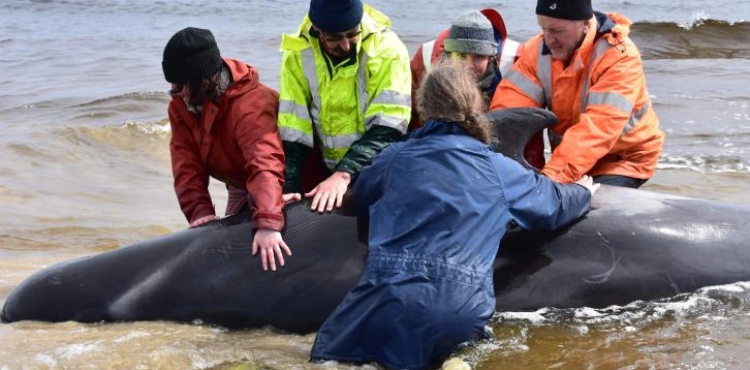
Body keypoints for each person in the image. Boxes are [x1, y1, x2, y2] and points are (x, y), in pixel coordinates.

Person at [310, 62, 599, 370]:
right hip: (459, 310)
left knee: (325, 360)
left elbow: (364, 193)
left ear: (422, 107)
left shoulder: (394, 158)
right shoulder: (498, 169)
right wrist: (582, 192)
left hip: (383, 302)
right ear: (474, 105)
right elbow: (553, 206)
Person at [162, 27, 299, 272]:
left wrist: (268, 222)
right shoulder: (181, 104)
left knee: (268, 246)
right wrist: (200, 213)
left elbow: (265, 162)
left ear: (203, 80)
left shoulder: (251, 104)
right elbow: (186, 164)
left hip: (285, 179)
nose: (175, 92)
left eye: (180, 86)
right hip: (238, 182)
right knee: (226, 256)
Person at [490, 0, 664, 188]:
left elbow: (599, 128)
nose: (548, 39)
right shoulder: (536, 51)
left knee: (584, 213)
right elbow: (509, 115)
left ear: (586, 24)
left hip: (621, 160)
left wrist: (550, 180)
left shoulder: (619, 56)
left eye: (557, 31)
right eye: (543, 28)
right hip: (572, 160)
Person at [277, 0, 412, 213]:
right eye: (335, 38)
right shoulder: (297, 52)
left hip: (380, 167)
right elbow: (294, 127)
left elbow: (389, 126)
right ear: (317, 29)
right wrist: (289, 184)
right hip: (328, 165)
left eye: (352, 34)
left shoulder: (388, 50)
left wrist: (344, 173)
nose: (346, 45)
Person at [410, 9, 544, 168]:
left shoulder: (516, 63)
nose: (468, 65)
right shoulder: (426, 59)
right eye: (460, 55)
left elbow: (527, 136)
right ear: (448, 52)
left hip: (494, 158)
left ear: (491, 57)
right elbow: (416, 126)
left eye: (478, 56)